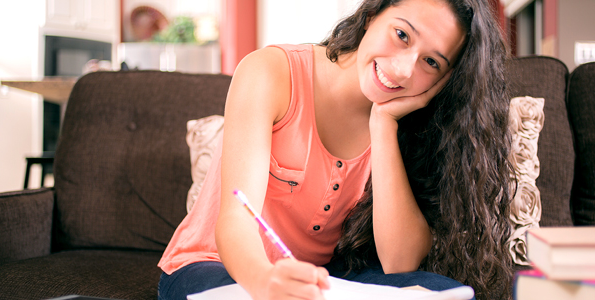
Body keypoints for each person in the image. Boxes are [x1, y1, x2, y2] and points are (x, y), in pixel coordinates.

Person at [157, 0, 514, 299]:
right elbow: (236, 218)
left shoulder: (415, 123)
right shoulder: (270, 72)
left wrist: (384, 125)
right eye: (402, 35)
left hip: (318, 278)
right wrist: (265, 282)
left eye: (431, 62)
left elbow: (399, 262)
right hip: (212, 266)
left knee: (440, 292)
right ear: (374, 14)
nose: (404, 70)